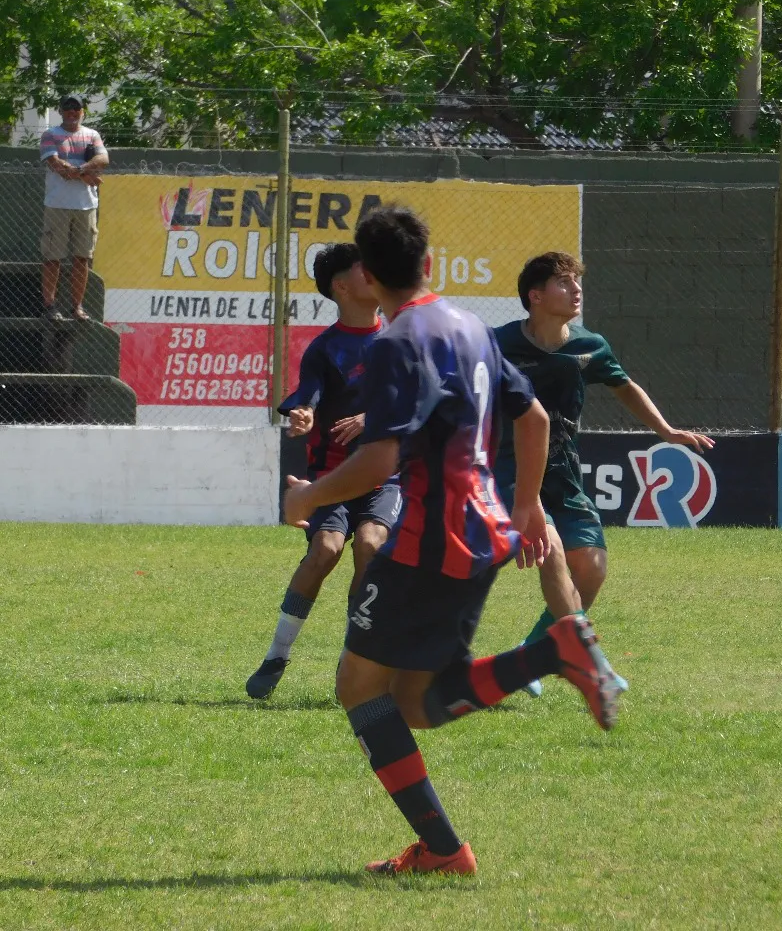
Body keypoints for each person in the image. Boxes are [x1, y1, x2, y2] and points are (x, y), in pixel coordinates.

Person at [283, 208, 619, 877]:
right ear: (429, 265)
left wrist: (308, 496)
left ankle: (445, 844)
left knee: (360, 687)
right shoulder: (469, 325)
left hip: (427, 540)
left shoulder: (393, 344)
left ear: (370, 277)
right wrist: (524, 507)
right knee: (415, 702)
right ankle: (548, 657)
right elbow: (537, 418)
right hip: (481, 530)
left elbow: (378, 461)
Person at [494, 251, 714, 696]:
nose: (576, 290)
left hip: (563, 472)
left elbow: (625, 387)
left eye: (578, 282)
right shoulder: (495, 344)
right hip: (510, 472)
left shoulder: (590, 345)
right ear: (534, 296)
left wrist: (666, 430)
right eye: (564, 283)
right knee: (549, 547)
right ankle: (588, 660)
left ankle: (531, 656)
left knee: (591, 568)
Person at [246, 243, 400, 700]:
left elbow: (412, 402)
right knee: (326, 550)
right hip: (331, 478)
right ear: (342, 286)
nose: (373, 271)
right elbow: (307, 392)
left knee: (372, 545)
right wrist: (304, 414)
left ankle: (356, 656)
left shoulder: (398, 341)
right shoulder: (325, 347)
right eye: (361, 267)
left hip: (384, 478)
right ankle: (277, 653)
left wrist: (373, 420)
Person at [40, 93, 108, 322]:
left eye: (76, 108)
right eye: (67, 108)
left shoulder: (92, 135)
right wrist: (87, 174)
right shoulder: (50, 135)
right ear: (60, 111)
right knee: (53, 258)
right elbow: (57, 166)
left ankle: (77, 307)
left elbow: (103, 160)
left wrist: (79, 171)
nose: (72, 112)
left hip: (86, 206)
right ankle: (49, 305)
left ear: (82, 111)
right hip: (57, 205)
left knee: (82, 258)